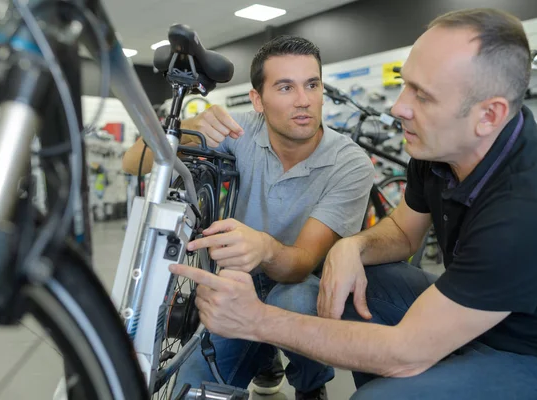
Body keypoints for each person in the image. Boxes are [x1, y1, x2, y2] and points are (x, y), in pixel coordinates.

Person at [171, 8, 537, 399]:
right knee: (347, 279)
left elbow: (406, 353)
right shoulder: (437, 151)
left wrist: (256, 321)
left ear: (488, 115)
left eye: (422, 96)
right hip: (470, 309)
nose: (398, 108)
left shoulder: (530, 202)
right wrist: (350, 246)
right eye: (404, 85)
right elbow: (402, 235)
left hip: (536, 355)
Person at [122, 36, 374, 399]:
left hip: (298, 284)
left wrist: (265, 248)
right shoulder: (237, 132)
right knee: (192, 391)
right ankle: (262, 356)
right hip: (234, 283)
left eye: (312, 85)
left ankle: (309, 383)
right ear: (258, 100)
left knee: (296, 299)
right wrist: (187, 129)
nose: (303, 100)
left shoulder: (349, 164)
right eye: (285, 87)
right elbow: (132, 163)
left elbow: (301, 263)